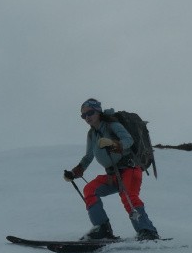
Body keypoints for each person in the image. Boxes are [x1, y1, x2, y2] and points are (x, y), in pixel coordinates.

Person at [64, 98, 160, 241]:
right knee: (90, 189)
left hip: (131, 168)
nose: (87, 117)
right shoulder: (92, 134)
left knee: (128, 195)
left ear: (98, 111)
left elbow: (128, 140)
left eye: (90, 113)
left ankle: (147, 231)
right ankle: (102, 229)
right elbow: (88, 156)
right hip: (114, 174)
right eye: (83, 115)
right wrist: (75, 172)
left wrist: (113, 143)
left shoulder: (112, 124)